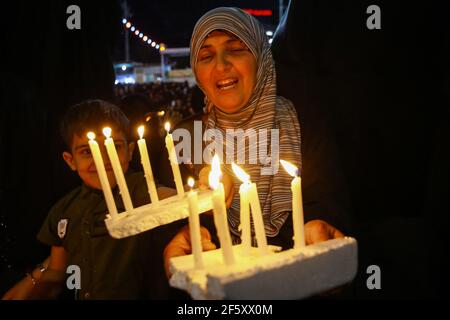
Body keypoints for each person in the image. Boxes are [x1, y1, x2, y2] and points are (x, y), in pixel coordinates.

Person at [163, 7, 347, 275]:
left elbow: (329, 200)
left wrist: (318, 226)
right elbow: (168, 216)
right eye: (206, 56)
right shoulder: (183, 139)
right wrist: (185, 235)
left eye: (236, 49)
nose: (221, 65)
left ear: (261, 57)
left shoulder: (304, 125)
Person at [2, 100, 178, 300]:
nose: (102, 160)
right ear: (70, 161)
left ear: (130, 152)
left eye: (114, 147)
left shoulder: (138, 189)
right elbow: (56, 273)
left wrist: (200, 194)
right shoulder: (64, 210)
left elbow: (167, 196)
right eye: (87, 151)